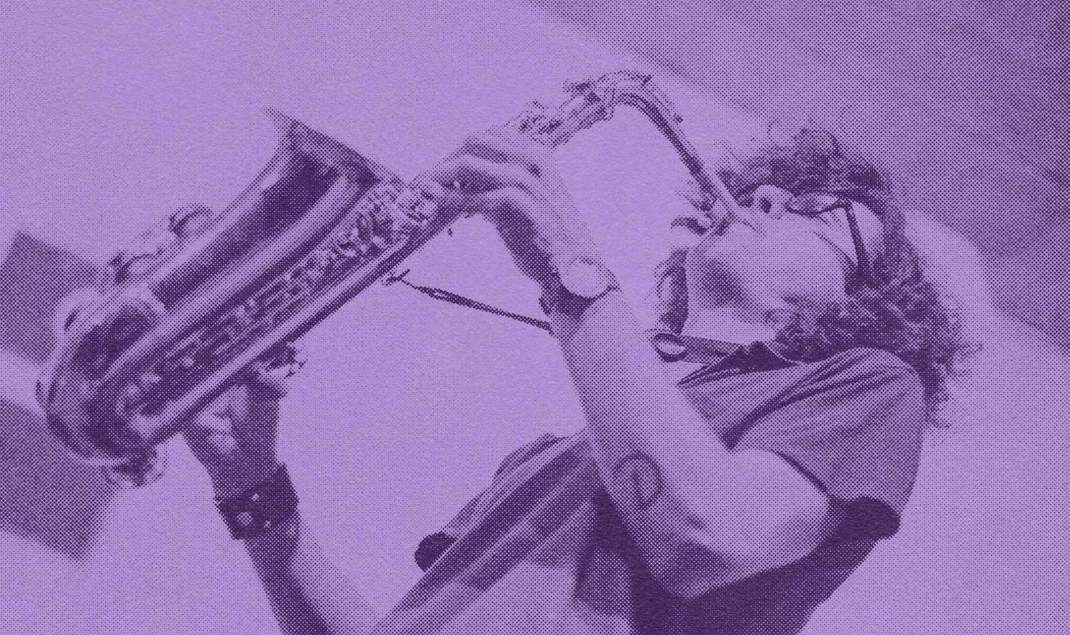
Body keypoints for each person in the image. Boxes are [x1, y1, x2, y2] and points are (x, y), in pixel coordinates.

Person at [183, 128, 971, 634]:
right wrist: (253, 486)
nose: (766, 197)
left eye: (819, 214)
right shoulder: (543, 456)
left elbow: (710, 536)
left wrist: (572, 266)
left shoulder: (872, 384)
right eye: (774, 189)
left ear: (862, 304)